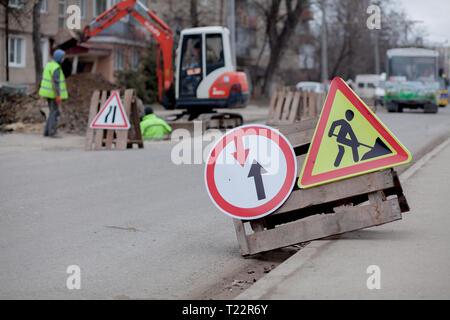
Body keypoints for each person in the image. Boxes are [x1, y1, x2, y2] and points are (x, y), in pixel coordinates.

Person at [38, 49, 68, 137]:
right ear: (59, 58)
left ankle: (46, 132)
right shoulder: (56, 68)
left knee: (52, 111)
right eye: (63, 57)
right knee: (54, 112)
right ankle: (52, 132)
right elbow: (56, 83)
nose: (63, 59)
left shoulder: (49, 65)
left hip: (47, 93)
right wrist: (58, 96)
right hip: (53, 93)